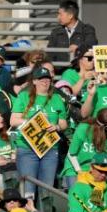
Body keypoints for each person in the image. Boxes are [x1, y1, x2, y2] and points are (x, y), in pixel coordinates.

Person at [9, 68, 68, 200]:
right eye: (41, 79)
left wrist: (57, 126)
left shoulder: (57, 98)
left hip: (50, 148)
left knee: (46, 191)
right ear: (34, 81)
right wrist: (34, 121)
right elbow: (13, 120)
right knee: (28, 191)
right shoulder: (24, 96)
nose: (45, 82)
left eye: (48, 79)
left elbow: (64, 123)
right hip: (27, 148)